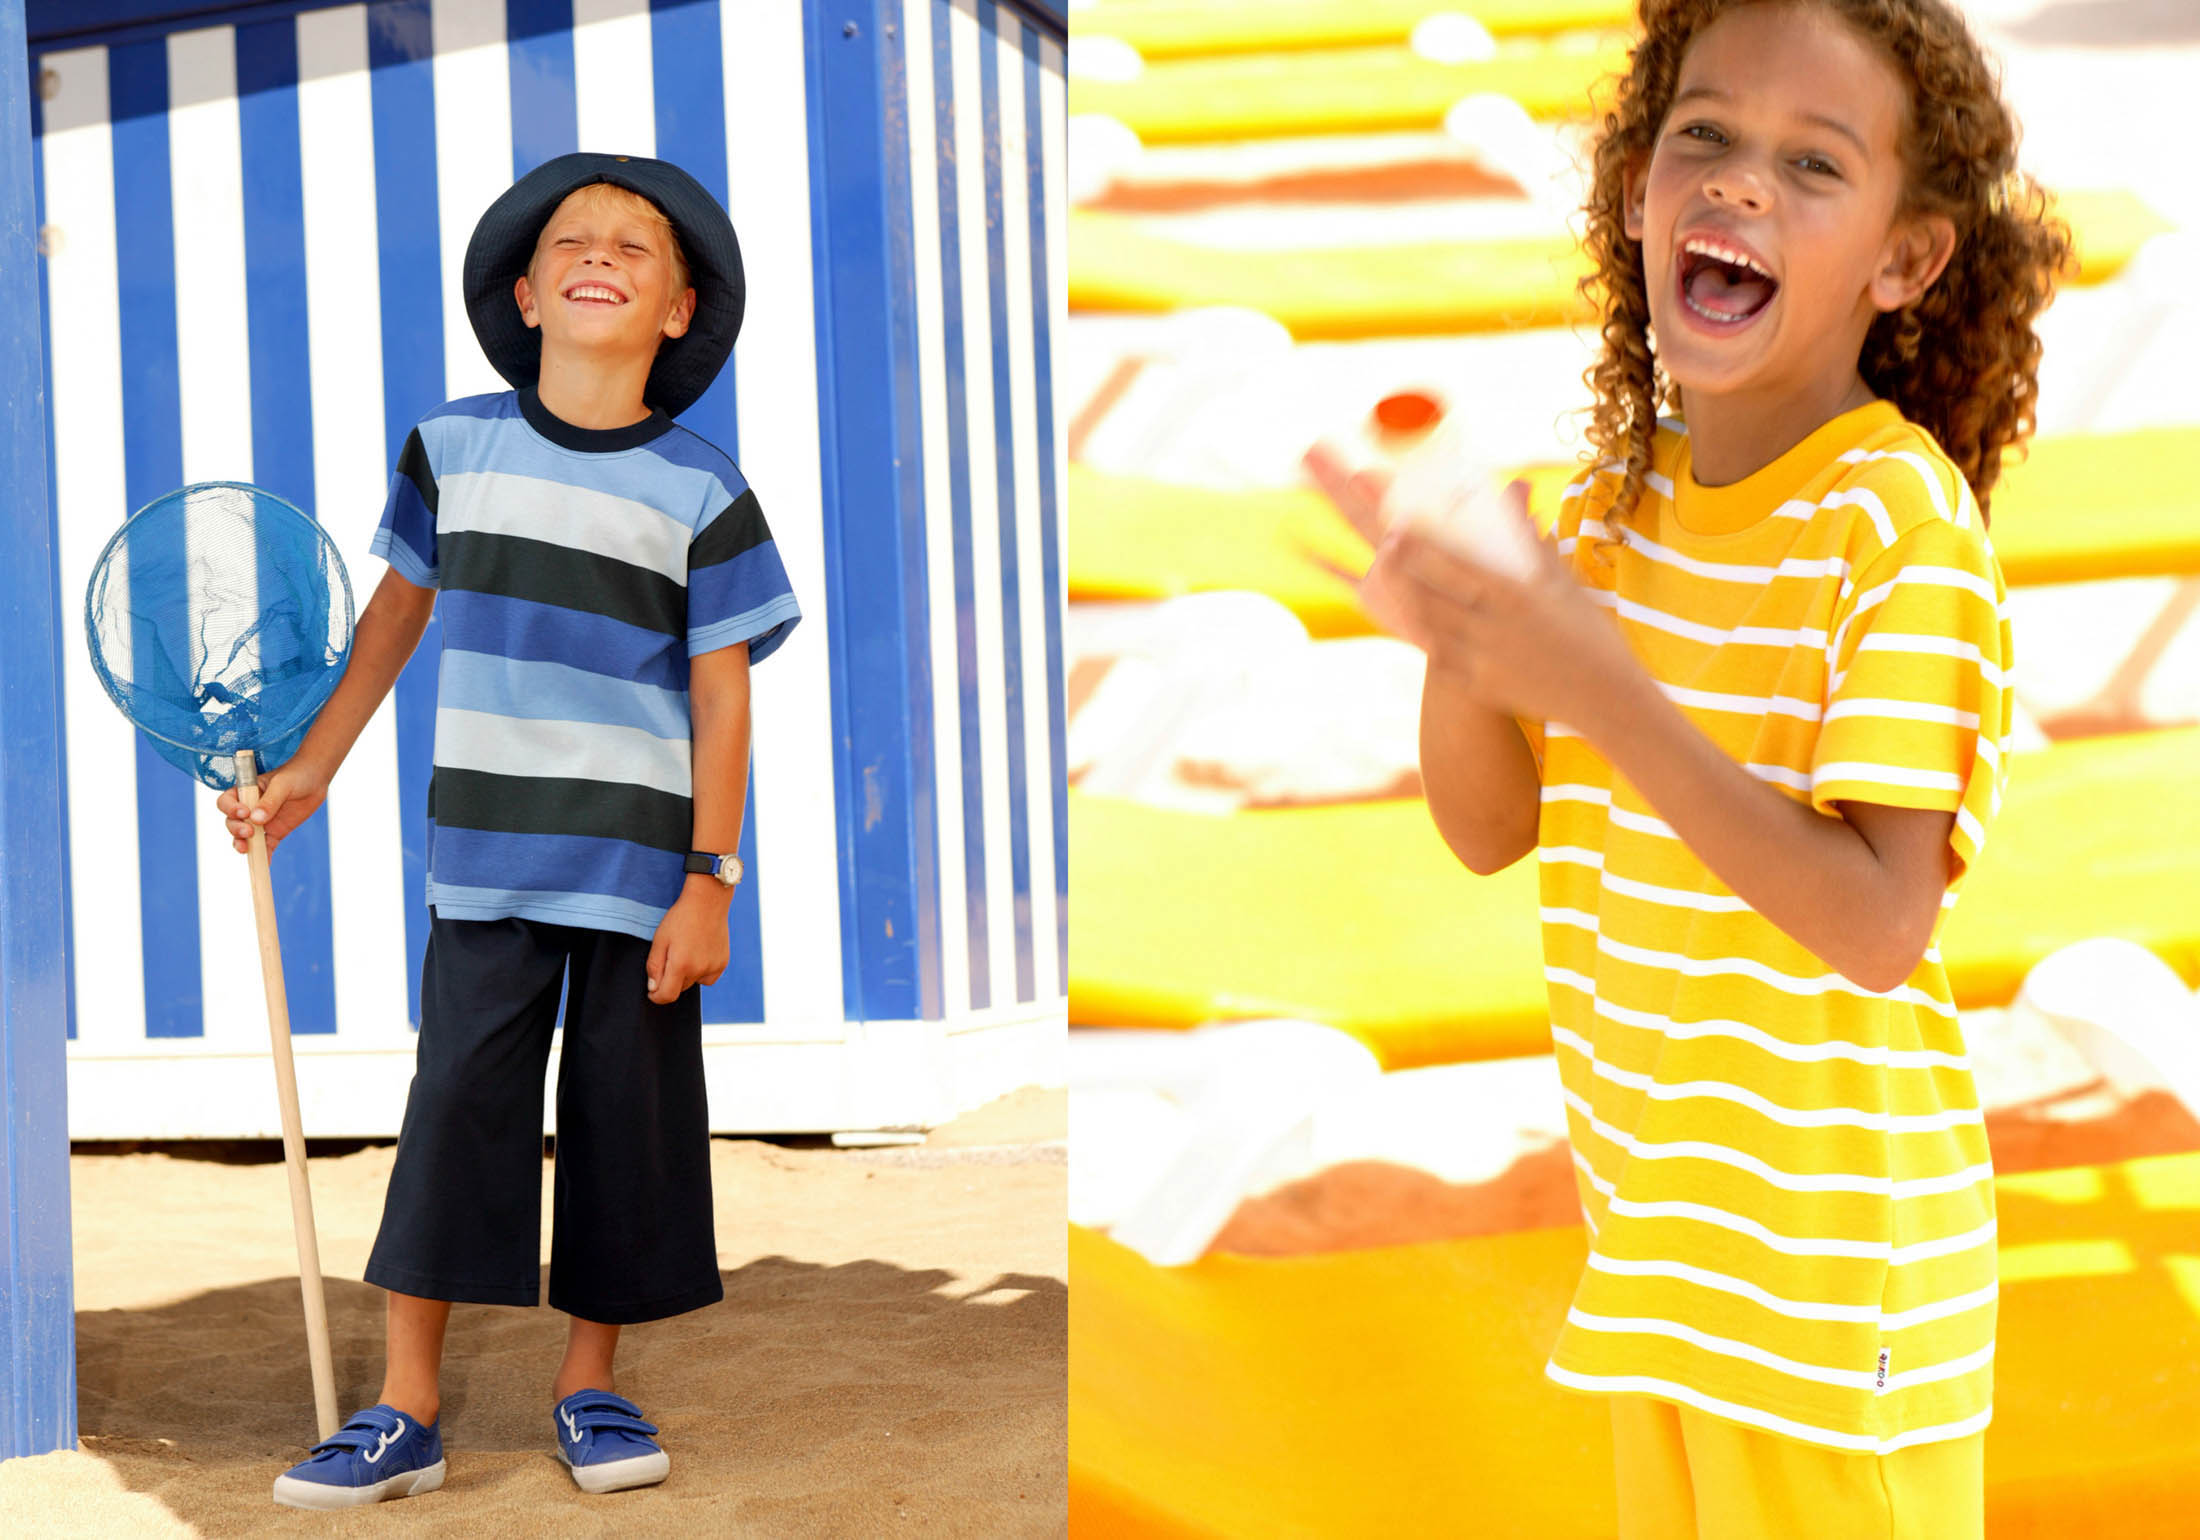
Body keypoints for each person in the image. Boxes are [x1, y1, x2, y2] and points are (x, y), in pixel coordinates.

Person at [1320, 1, 2073, 1534]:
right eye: (1704, 138)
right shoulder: (1609, 510)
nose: (1737, 186)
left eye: (1812, 163)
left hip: (1829, 1297)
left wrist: (1602, 685)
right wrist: (1465, 638)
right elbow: (1487, 829)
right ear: (1635, 195)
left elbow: (1879, 923)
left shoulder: (1896, 531)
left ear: (1906, 258)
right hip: (1664, 1263)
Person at [218, 152, 801, 1509]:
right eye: (571, 241)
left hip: (640, 877)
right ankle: (405, 1408)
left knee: (625, 1124)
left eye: (635, 247)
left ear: (676, 311)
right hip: (482, 861)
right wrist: (310, 769)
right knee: (456, 1112)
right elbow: (392, 621)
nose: (599, 251)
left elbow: (724, 703)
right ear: (528, 293)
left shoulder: (702, 492)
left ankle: (588, 1383)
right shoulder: (451, 449)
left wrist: (710, 879)